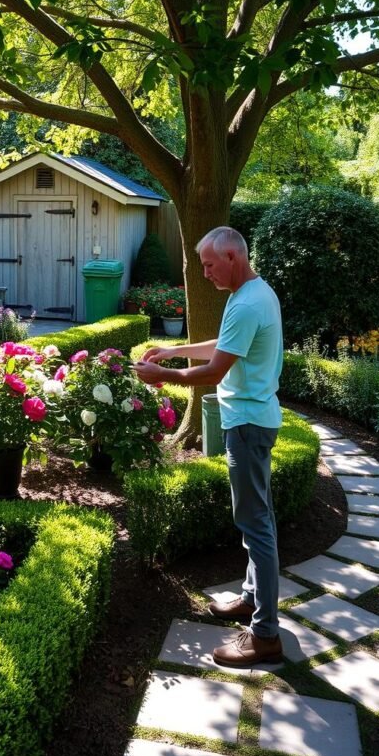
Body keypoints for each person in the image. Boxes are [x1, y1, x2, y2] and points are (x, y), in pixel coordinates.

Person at [133, 226, 283, 667]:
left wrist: (163, 376)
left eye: (209, 264)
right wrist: (174, 351)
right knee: (258, 519)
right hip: (254, 421)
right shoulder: (252, 294)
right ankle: (252, 598)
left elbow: (216, 371)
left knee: (255, 525)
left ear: (233, 256)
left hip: (248, 425)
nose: (204, 273)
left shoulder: (247, 301)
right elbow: (226, 346)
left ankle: (265, 635)